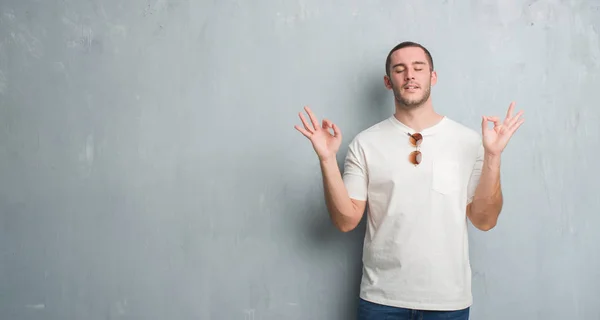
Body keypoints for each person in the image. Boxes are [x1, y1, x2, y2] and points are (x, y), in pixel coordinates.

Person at [294, 41, 524, 320]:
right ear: (388, 81)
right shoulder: (365, 144)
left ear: (433, 77)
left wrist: (493, 156)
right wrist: (327, 159)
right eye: (400, 69)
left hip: (448, 302)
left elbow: (484, 220)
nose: (410, 75)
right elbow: (346, 221)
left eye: (418, 68)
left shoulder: (470, 142)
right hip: (381, 301)